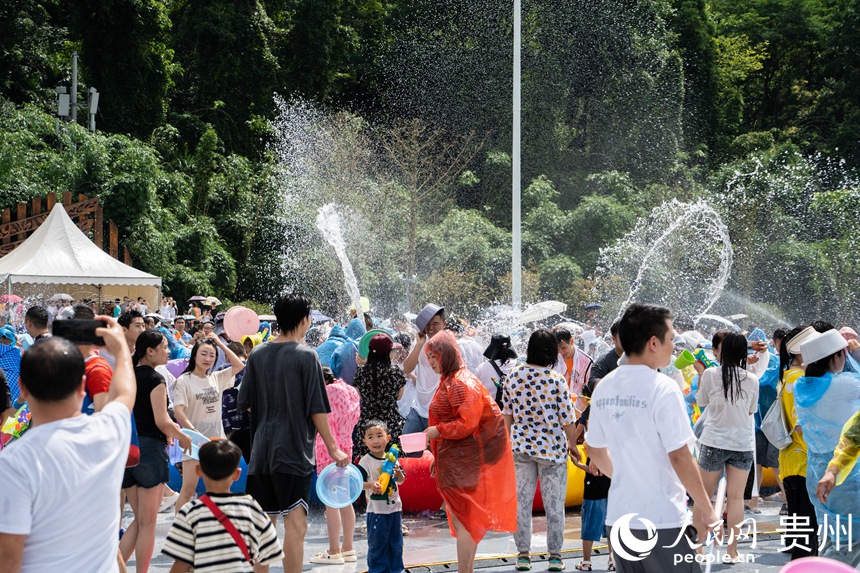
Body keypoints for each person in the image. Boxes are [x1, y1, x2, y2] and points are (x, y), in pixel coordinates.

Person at [586, 303, 718, 573]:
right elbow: (680, 456)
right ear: (654, 342)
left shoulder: (604, 386)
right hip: (662, 520)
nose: (674, 347)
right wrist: (707, 508)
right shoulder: (663, 388)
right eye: (671, 339)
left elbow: (594, 449)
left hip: (620, 520)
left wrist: (626, 474)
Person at [0, 317, 134, 572]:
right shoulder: (108, 433)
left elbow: (8, 559)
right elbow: (126, 392)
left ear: (23, 389)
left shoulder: (13, 462)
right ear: (83, 386)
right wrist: (120, 349)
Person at [237, 293, 349, 573]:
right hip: (294, 453)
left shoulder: (258, 354)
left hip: (261, 454)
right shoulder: (306, 356)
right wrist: (334, 448)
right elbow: (317, 409)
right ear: (303, 320)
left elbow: (245, 402)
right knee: (296, 525)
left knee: (264, 527)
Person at [424, 330, 516, 573]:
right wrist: (437, 454)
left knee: (464, 519)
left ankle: (465, 571)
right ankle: (466, 570)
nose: (431, 362)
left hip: (464, 462)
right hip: (455, 460)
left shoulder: (461, 382)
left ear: (448, 355)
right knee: (463, 519)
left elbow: (468, 423)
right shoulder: (450, 379)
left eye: (435, 356)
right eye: (430, 357)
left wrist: (438, 432)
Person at [502, 329, 577, 572]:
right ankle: (554, 556)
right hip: (552, 451)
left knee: (521, 503)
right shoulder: (555, 379)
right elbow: (567, 419)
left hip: (521, 448)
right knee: (554, 504)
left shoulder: (513, 376)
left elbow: (507, 416)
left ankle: (523, 554)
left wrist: (509, 442)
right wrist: (573, 445)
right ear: (550, 351)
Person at [120, 330, 192, 573]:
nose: (168, 351)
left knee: (139, 521)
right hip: (150, 451)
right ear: (149, 351)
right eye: (163, 347)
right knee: (148, 522)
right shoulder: (155, 379)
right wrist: (183, 436)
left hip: (127, 451)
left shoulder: (126, 376)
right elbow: (163, 421)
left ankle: (112, 567)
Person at [162, 439, 284, 572]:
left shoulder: (190, 513)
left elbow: (181, 565)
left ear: (199, 471)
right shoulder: (252, 509)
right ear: (237, 474)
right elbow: (264, 558)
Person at [793, 328, 860, 566]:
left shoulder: (802, 387)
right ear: (836, 357)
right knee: (849, 543)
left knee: (832, 535)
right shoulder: (849, 385)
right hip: (845, 474)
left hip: (816, 472)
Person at [691, 332, 759, 563]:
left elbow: (701, 402)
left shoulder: (711, 374)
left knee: (703, 498)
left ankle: (698, 550)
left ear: (723, 351)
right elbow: (751, 410)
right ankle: (732, 552)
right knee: (737, 498)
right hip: (742, 444)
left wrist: (701, 375)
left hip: (713, 442)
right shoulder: (752, 379)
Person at [173, 335, 246, 512]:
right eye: (203, 354)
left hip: (217, 441)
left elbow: (239, 365)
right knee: (188, 489)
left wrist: (221, 343)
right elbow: (178, 411)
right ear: (194, 356)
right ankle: (179, 530)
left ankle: (220, 528)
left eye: (212, 355)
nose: (207, 359)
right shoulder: (184, 381)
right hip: (194, 442)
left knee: (222, 488)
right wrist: (193, 432)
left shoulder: (216, 377)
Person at [311, 367, 361, 564]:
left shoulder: (328, 391)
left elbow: (320, 419)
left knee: (330, 502)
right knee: (345, 499)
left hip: (328, 447)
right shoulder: (350, 390)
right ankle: (348, 548)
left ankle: (333, 551)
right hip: (346, 446)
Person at [778, 325, 820, 560]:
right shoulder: (799, 378)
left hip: (790, 459)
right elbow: (800, 422)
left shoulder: (787, 375)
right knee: (807, 530)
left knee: (798, 523)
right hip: (803, 458)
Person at [358, 420, 406, 573]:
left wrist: (398, 473)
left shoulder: (392, 459)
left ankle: (396, 569)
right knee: (377, 544)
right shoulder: (365, 461)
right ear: (365, 442)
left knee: (396, 543)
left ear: (388, 438)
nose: (376, 441)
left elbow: (401, 480)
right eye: (370, 437)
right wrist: (371, 485)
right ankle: (377, 570)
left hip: (394, 509)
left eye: (379, 435)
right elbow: (358, 483)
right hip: (377, 512)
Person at [571, 402, 612, 572]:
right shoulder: (612, 441)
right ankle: (613, 559)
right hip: (610, 489)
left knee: (588, 525)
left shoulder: (592, 444)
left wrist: (577, 464)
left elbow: (595, 471)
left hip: (594, 490)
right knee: (611, 524)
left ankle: (586, 561)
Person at [353, 334, 407, 458]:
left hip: (367, 427)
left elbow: (359, 396)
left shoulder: (361, 372)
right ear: (386, 353)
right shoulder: (395, 372)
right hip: (390, 425)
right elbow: (399, 397)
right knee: (392, 466)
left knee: (367, 466)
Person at [402, 303, 445, 434]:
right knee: (409, 447)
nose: (431, 327)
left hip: (439, 409)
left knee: (435, 451)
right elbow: (407, 368)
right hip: (418, 406)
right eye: (428, 323)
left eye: (435, 323)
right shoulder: (420, 342)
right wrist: (419, 344)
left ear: (444, 324)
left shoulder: (450, 345)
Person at [475, 334, 517, 405]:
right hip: (513, 411)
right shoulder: (518, 367)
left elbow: (475, 391)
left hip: (491, 411)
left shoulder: (481, 368)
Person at [586, 320, 621, 394]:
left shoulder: (641, 356)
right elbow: (592, 382)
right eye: (623, 337)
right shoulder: (604, 360)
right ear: (614, 339)